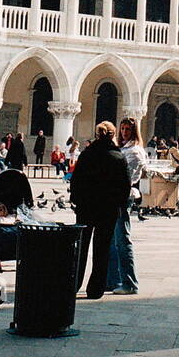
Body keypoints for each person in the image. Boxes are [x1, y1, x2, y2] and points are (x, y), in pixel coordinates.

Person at [70, 122, 131, 299]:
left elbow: (76, 181)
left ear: (97, 135)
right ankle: (95, 289)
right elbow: (125, 186)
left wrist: (77, 200)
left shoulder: (87, 154)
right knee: (102, 249)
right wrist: (118, 204)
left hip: (86, 208)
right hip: (108, 210)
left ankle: (73, 285)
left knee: (81, 247)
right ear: (113, 135)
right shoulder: (118, 157)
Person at [106, 117, 143, 293]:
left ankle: (130, 283)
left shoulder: (134, 151)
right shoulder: (124, 148)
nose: (124, 132)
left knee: (122, 240)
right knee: (114, 240)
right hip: (115, 196)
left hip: (123, 196)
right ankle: (114, 280)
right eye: (122, 129)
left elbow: (129, 176)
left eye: (128, 129)